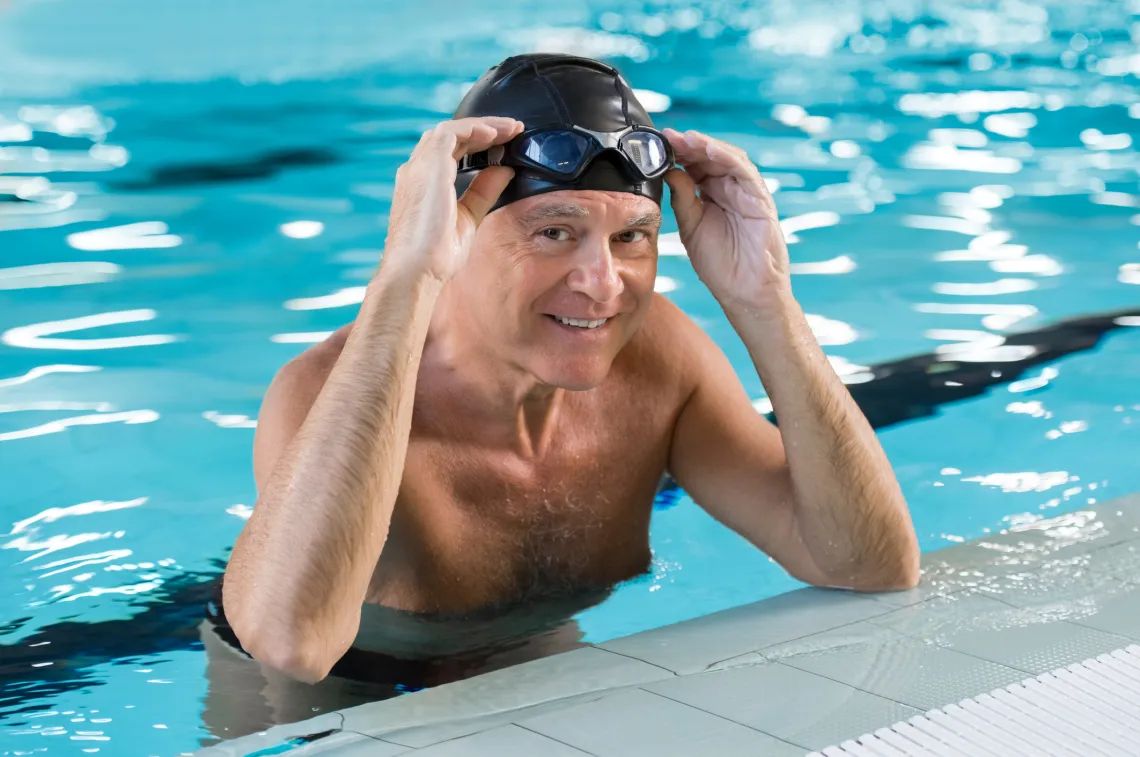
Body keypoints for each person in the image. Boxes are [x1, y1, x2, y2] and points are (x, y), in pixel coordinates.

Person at [212, 52, 919, 710]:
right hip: (328, 688)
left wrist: (766, 303)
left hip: (530, 646)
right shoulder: (328, 391)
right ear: (459, 231)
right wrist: (405, 282)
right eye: (554, 232)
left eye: (630, 237)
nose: (602, 284)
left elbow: (869, 565)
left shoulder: (661, 357)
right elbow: (293, 645)